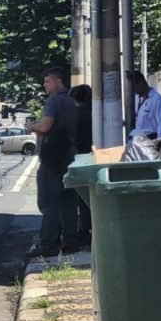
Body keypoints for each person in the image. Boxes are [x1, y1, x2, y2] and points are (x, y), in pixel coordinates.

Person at [26, 66, 80, 257]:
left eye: (47, 81)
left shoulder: (54, 101)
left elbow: (46, 125)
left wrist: (32, 126)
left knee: (49, 202)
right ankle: (71, 240)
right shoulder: (72, 101)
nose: (45, 86)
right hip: (72, 156)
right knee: (68, 201)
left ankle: (49, 243)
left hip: (53, 158)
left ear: (58, 81)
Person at [69, 84, 93, 247]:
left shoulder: (77, 114)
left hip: (81, 156)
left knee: (82, 198)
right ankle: (88, 230)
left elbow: (72, 136)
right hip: (95, 153)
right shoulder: (96, 111)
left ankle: (85, 232)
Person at [131, 71, 161, 140]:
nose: (133, 90)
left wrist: (160, 143)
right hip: (137, 138)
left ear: (141, 83)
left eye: (134, 86)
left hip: (150, 139)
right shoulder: (136, 98)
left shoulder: (157, 100)